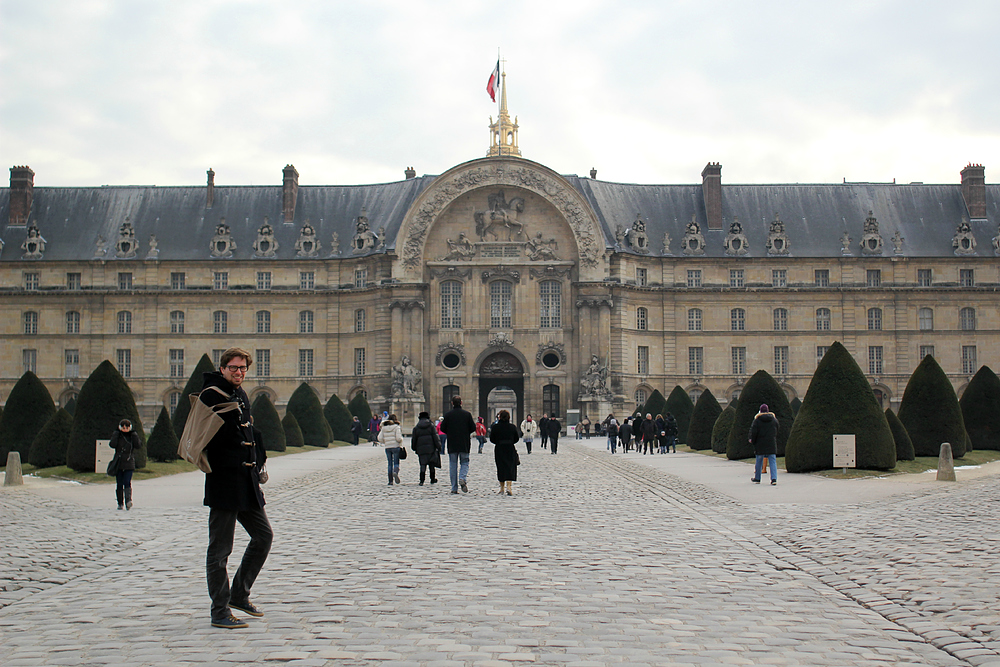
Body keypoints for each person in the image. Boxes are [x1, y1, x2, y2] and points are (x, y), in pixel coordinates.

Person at [202, 347, 272, 630]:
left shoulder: (241, 394)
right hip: (223, 482)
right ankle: (219, 610)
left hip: (246, 482)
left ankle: (239, 594)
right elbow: (206, 436)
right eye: (234, 368)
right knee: (220, 550)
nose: (239, 372)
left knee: (263, 536)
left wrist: (259, 456)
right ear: (223, 368)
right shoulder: (211, 395)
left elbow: (247, 431)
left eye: (243, 368)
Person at [440, 396, 476, 494]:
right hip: (464, 442)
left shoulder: (448, 415)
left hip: (452, 442)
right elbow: (473, 428)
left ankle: (454, 488)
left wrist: (450, 431)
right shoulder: (467, 415)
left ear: (452, 403)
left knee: (453, 464)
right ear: (461, 403)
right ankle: (462, 478)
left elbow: (442, 428)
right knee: (464, 462)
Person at [109, 419, 139, 510]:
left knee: (127, 482)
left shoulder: (132, 435)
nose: (125, 429)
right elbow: (112, 444)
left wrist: (134, 434)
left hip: (129, 462)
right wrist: (116, 433)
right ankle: (120, 503)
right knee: (119, 483)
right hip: (119, 462)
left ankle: (128, 501)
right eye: (123, 427)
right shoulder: (118, 435)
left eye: (127, 427)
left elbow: (138, 445)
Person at [491, 410, 521, 495]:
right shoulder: (512, 427)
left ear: (499, 417)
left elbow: (492, 439)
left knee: (501, 467)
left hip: (499, 448)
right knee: (510, 467)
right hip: (510, 448)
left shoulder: (495, 427)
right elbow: (516, 438)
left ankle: (501, 488)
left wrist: (498, 442)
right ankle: (509, 487)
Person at [750, 404, 779, 485]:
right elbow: (777, 428)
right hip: (771, 442)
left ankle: (757, 478)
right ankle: (774, 479)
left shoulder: (757, 420)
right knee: (772, 461)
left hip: (760, 443)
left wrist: (753, 441)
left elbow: (754, 432)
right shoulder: (773, 419)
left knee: (759, 461)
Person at [410, 411, 440, 485]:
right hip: (431, 448)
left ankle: (421, 480)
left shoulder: (416, 427)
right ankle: (432, 479)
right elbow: (435, 437)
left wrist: (414, 448)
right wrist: (439, 446)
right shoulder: (431, 426)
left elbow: (414, 439)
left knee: (422, 464)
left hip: (421, 449)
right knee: (431, 464)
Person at [378, 413, 404, 486]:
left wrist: (385, 442)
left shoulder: (384, 428)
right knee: (396, 462)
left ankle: (390, 481)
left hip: (388, 447)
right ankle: (395, 472)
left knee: (390, 463)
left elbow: (379, 438)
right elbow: (398, 438)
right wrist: (401, 440)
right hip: (395, 447)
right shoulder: (396, 427)